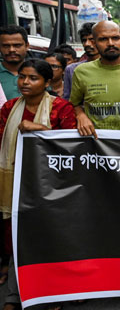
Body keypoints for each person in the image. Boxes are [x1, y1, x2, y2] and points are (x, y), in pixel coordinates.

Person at [0, 59, 76, 310]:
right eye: (22, 77)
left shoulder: (60, 108)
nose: (25, 82)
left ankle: (53, 294)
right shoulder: (9, 108)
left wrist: (40, 129)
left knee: (52, 237)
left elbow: (70, 145)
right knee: (18, 239)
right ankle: (14, 295)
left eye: (33, 78)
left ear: (46, 83)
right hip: (16, 182)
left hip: (51, 184)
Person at [71, 20, 120, 138]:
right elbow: (74, 104)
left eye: (115, 38)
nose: (111, 43)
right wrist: (81, 116)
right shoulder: (81, 71)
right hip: (96, 143)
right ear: (95, 43)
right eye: (103, 39)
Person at [63, 22, 98, 100]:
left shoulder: (110, 67)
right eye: (84, 40)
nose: (87, 44)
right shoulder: (72, 69)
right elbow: (67, 99)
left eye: (92, 40)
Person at [0, 25, 30, 101]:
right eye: (6, 46)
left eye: (17, 45)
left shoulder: (39, 72)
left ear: (27, 46)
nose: (11, 50)